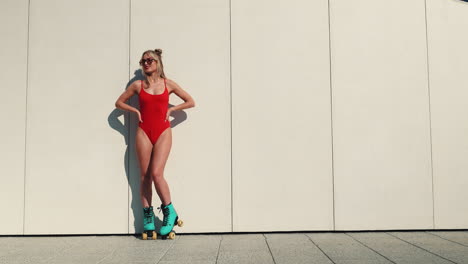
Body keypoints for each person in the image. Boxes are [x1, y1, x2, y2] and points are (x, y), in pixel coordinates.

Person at [115, 49, 195, 239]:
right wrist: (134, 111)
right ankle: (148, 218)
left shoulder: (169, 84)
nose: (147, 63)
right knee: (144, 177)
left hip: (163, 131)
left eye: (150, 60)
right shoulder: (137, 85)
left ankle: (170, 212)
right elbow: (118, 103)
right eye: (143, 61)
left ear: (158, 62)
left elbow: (191, 101)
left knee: (157, 173)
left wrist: (173, 108)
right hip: (143, 131)